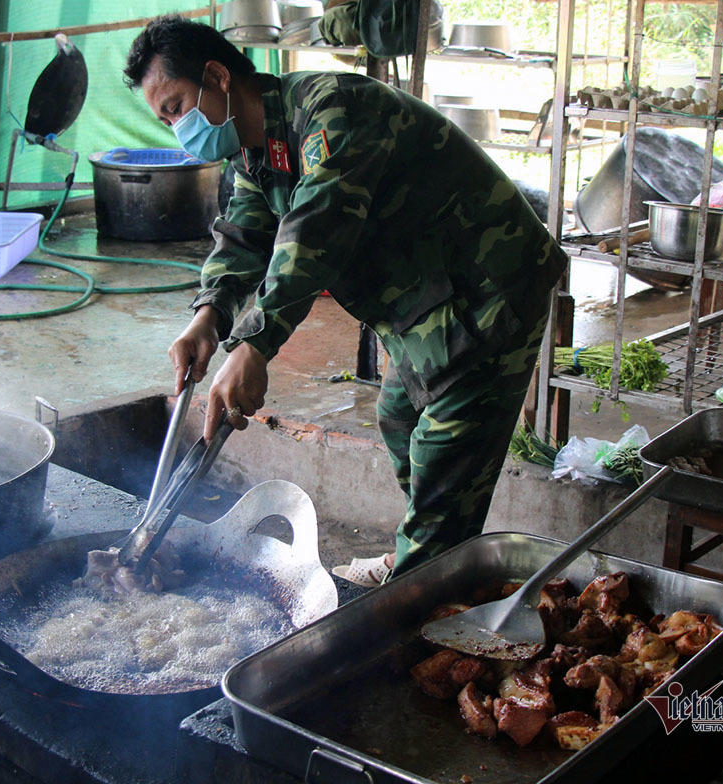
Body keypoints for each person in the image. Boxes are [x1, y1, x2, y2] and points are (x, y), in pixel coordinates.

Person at [124, 16, 568, 585]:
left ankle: (429, 587)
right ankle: (432, 557)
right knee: (399, 417)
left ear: (217, 75)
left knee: (444, 455)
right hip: (424, 302)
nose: (179, 128)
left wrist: (254, 345)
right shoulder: (255, 150)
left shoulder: (334, 110)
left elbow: (314, 236)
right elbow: (241, 236)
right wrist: (208, 319)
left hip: (486, 288)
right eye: (166, 119)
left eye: (177, 106)